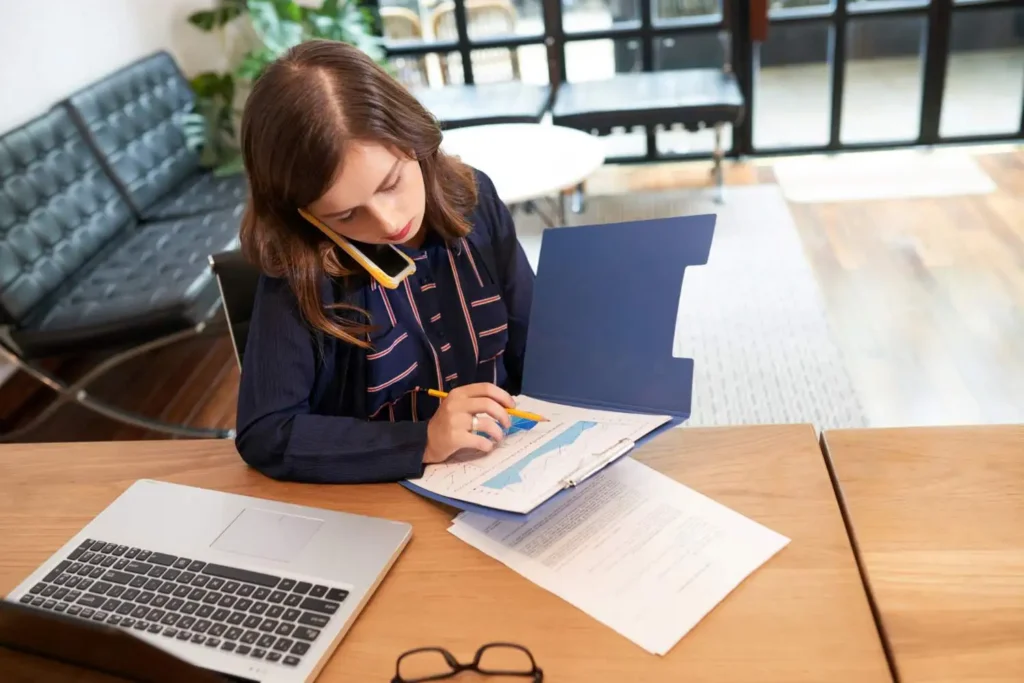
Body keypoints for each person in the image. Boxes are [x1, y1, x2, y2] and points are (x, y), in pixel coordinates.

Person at [233, 39, 535, 485]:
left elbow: (535, 343)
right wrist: (423, 441)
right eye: (346, 214)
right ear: (304, 214)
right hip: (378, 496)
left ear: (414, 135)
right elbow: (267, 432)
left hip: (509, 466)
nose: (390, 222)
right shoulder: (301, 266)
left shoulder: (475, 199)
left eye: (391, 182)